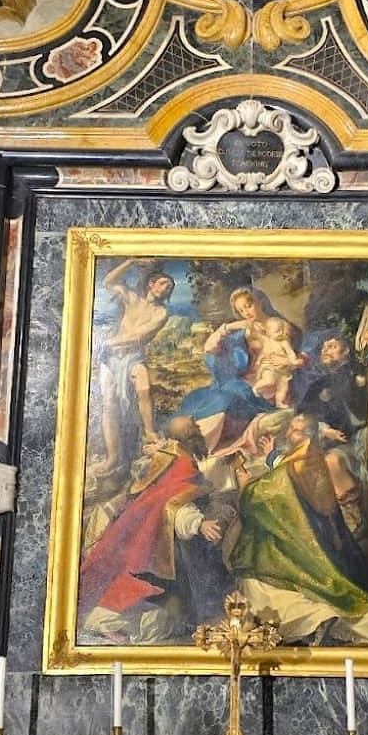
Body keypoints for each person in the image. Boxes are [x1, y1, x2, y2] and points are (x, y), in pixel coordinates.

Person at [230, 412, 368, 646]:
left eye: (297, 430)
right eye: (291, 428)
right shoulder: (309, 457)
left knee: (256, 580)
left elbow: (264, 497)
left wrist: (244, 482)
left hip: (309, 551)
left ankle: (320, 621)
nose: (290, 433)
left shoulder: (307, 460)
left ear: (309, 436)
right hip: (312, 542)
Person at [79, 416, 235, 643]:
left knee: (149, 590)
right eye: (195, 430)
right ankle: (110, 624)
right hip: (157, 543)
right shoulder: (182, 466)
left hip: (145, 533)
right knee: (154, 599)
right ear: (189, 439)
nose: (200, 431)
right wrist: (199, 524)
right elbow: (174, 505)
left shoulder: (174, 455)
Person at [299, 325, 368, 527]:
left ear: (346, 350)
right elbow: (304, 416)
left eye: (331, 346)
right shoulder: (319, 386)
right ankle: (356, 520)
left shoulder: (364, 370)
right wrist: (324, 429)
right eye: (323, 349)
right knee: (331, 461)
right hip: (349, 441)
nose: (326, 351)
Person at [181, 287, 298, 451]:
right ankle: (190, 442)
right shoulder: (245, 330)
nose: (246, 312)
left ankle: (200, 447)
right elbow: (209, 348)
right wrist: (228, 327)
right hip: (245, 382)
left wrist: (287, 361)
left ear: (259, 301)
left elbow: (294, 357)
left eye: (249, 305)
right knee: (212, 398)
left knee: (225, 399)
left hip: (268, 387)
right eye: (241, 310)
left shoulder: (280, 326)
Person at [93, 258, 175, 478]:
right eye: (164, 283)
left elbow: (138, 336)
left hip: (131, 355)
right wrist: (130, 261)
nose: (166, 288)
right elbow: (109, 282)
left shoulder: (161, 313)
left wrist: (108, 343)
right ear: (151, 284)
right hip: (111, 358)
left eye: (169, 287)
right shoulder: (132, 298)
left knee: (144, 386)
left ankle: (149, 431)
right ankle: (112, 457)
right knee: (109, 404)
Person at [251, 316, 305, 407]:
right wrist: (259, 360)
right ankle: (256, 387)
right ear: (269, 333)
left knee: (283, 388)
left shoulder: (284, 342)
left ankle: (279, 402)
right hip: (269, 366)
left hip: (283, 371)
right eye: (276, 331)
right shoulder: (268, 342)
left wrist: (293, 360)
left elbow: (290, 352)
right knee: (270, 380)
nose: (280, 333)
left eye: (281, 330)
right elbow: (264, 353)